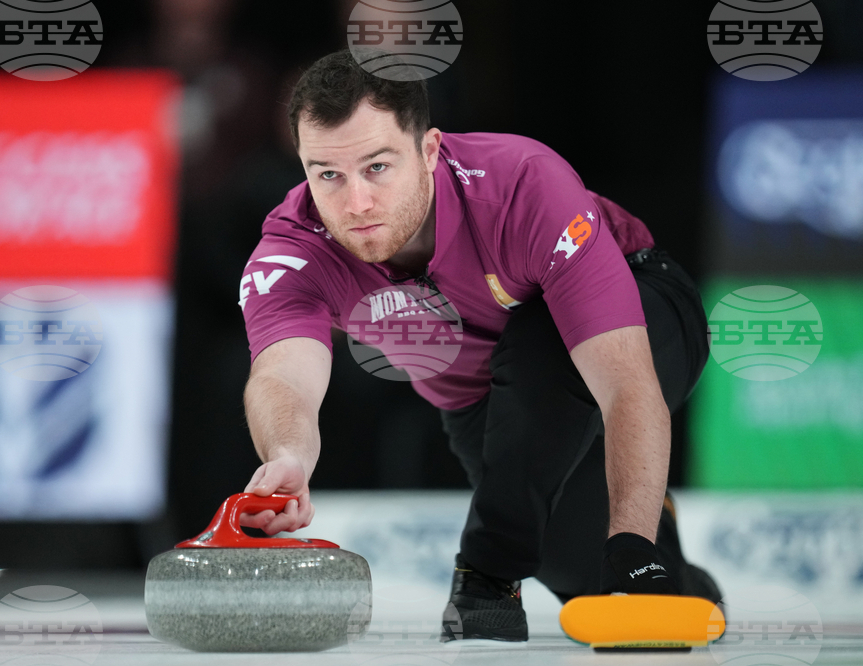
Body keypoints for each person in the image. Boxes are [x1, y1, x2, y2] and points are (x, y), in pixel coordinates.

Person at [236, 50, 721, 643]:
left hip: (646, 314)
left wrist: (631, 549)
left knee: (536, 346)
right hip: (483, 398)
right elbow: (283, 373)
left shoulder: (523, 186)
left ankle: (486, 573)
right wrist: (288, 454)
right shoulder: (292, 251)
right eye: (327, 175)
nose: (356, 203)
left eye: (377, 167)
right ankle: (682, 575)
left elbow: (626, 383)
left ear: (429, 150)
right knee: (578, 571)